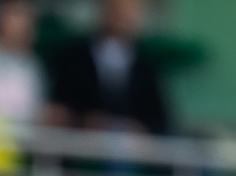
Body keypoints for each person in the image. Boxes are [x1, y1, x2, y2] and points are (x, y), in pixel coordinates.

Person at [44, 0, 174, 136]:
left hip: (133, 149)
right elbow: (60, 110)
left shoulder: (146, 66)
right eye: (116, 8)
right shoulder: (73, 57)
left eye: (128, 9)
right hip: (81, 145)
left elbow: (159, 119)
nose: (122, 14)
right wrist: (83, 120)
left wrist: (139, 129)